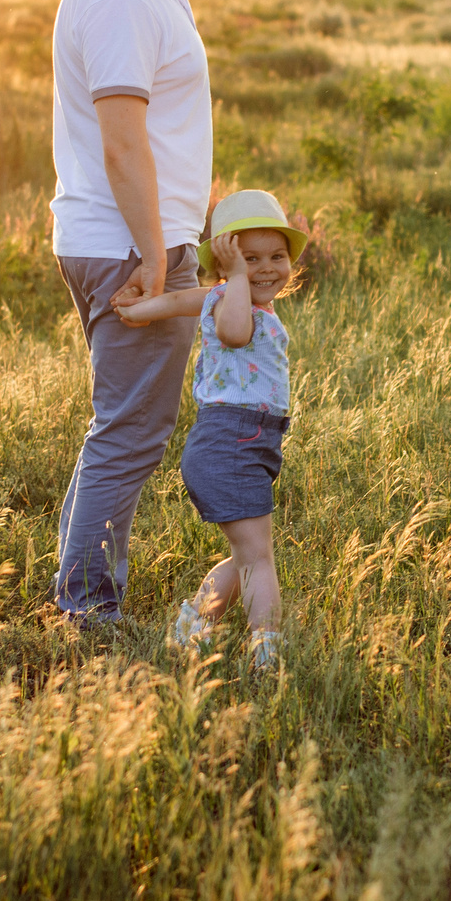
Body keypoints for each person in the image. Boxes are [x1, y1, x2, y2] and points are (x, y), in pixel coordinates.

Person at [47, 0, 216, 625]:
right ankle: (88, 613)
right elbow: (122, 142)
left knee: (118, 428)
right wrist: (155, 253)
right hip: (129, 244)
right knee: (130, 435)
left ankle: (77, 595)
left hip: (122, 236)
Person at [114, 188, 307, 667]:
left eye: (277, 256)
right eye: (249, 258)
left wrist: (140, 309)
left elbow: (180, 301)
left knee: (249, 553)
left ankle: (193, 626)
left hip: (248, 442)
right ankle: (267, 653)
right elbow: (233, 333)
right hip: (231, 441)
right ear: (224, 263)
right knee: (258, 558)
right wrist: (236, 277)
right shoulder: (230, 300)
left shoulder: (233, 297)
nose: (266, 269)